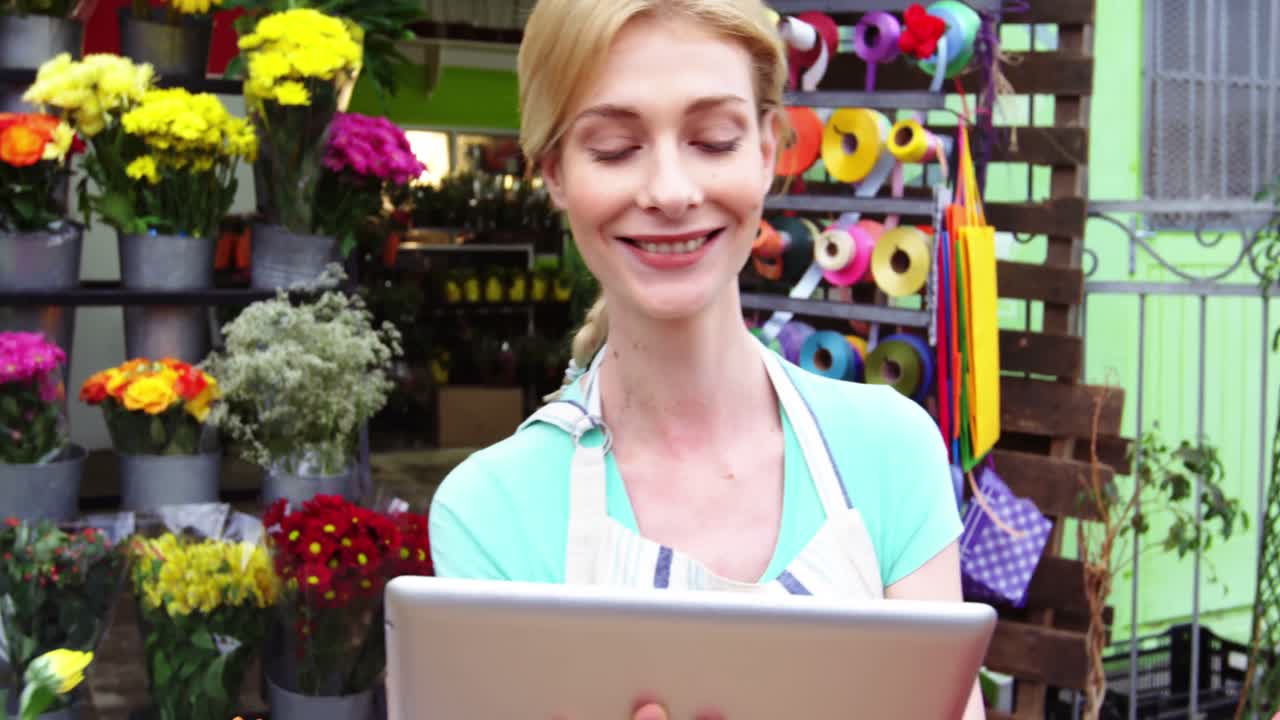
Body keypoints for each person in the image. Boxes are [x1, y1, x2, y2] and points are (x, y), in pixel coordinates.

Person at [427, 0, 985, 718]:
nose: (670, 192)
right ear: (554, 174)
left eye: (714, 140)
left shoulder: (888, 452)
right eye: (614, 149)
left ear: (766, 149)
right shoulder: (492, 514)